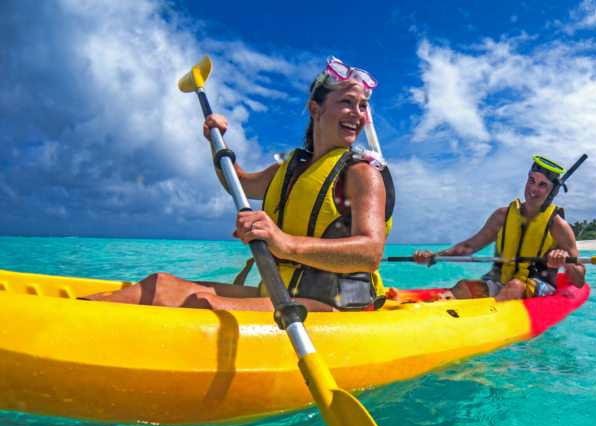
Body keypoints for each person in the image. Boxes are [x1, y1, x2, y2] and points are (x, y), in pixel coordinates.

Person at [86, 56, 394, 312]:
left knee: (203, 304)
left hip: (334, 306)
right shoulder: (289, 171)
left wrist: (284, 242)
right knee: (160, 284)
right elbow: (239, 183)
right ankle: (76, 313)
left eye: (362, 106)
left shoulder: (362, 174)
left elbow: (370, 253)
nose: (357, 114)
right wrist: (216, 141)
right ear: (316, 109)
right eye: (347, 102)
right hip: (280, 293)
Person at [413, 155, 585, 301]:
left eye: (542, 185)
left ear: (554, 192)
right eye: (531, 181)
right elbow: (468, 247)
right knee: (464, 286)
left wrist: (567, 262)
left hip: (537, 288)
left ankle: (485, 321)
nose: (533, 188)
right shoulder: (503, 215)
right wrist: (435, 256)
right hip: (501, 282)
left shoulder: (558, 226)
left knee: (515, 286)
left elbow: (579, 280)